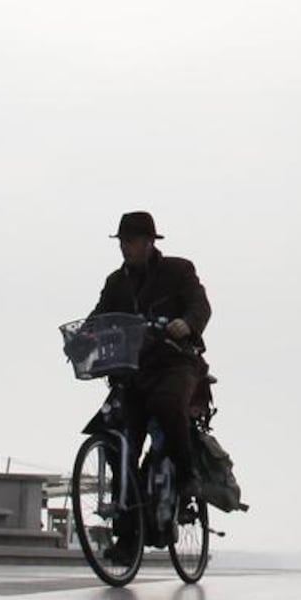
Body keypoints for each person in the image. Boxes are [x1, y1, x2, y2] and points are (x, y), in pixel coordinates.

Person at [90, 210, 211, 558]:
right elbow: (100, 314)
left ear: (148, 242)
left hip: (176, 363)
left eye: (130, 241)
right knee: (117, 438)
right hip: (135, 370)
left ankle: (188, 476)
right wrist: (86, 334)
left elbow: (200, 305)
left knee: (166, 404)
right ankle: (128, 538)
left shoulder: (178, 270)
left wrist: (187, 323)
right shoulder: (117, 282)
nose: (125, 248)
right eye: (122, 242)